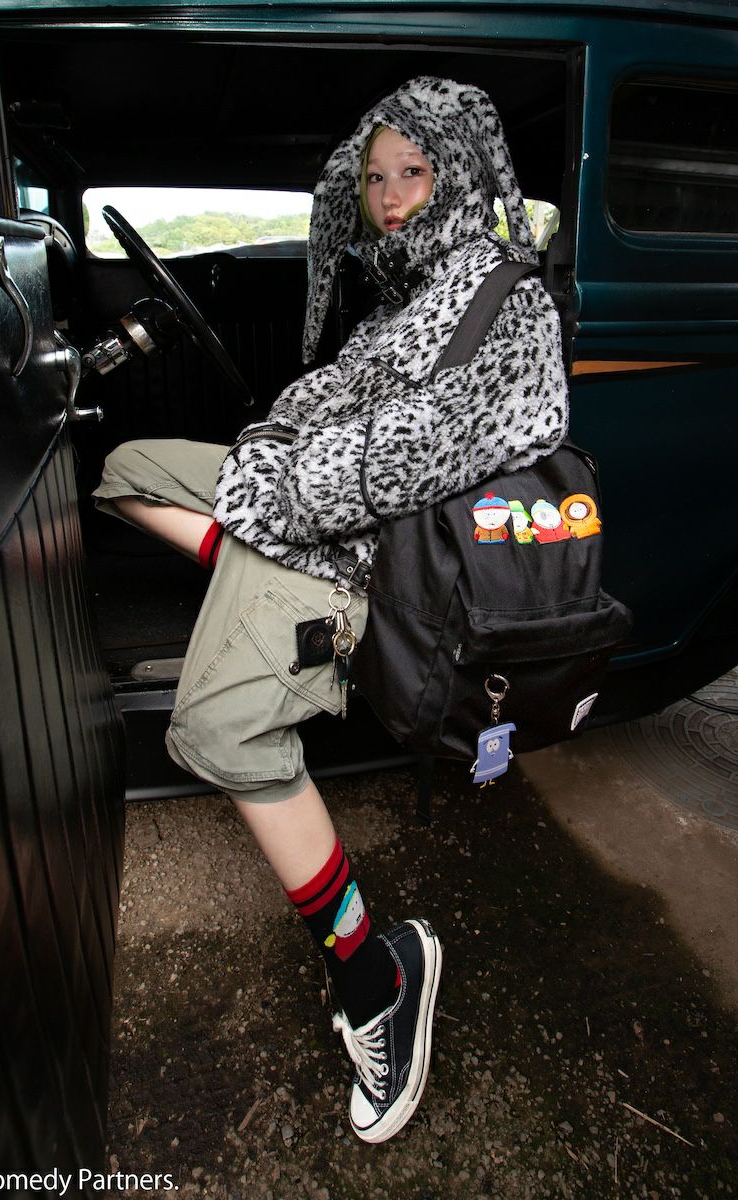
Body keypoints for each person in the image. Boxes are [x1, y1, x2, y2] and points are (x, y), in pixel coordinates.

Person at [92, 75, 568, 1143]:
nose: (389, 198)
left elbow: (414, 454)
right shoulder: (409, 292)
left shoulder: (507, 301)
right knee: (123, 467)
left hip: (367, 558)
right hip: (297, 511)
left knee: (216, 732)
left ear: (460, 175)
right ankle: (251, 571)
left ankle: (376, 976)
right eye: (375, 178)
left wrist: (279, 488)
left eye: (414, 173)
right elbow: (325, 392)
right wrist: (270, 446)